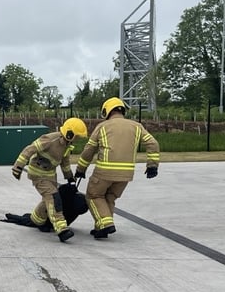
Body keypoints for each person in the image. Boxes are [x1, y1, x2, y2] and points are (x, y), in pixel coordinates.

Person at [74, 97, 160, 239]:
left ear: (106, 111)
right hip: (125, 175)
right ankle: (101, 228)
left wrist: (80, 169)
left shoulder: (103, 127)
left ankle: (106, 224)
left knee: (94, 195)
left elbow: (89, 150)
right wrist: (152, 166)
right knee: (110, 197)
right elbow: (153, 143)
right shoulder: (136, 126)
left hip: (104, 172)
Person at [11, 117, 88, 242]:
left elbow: (65, 164)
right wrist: (18, 167)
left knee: (48, 198)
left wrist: (71, 180)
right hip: (38, 175)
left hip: (50, 177)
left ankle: (38, 219)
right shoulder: (50, 139)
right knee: (53, 198)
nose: (77, 139)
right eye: (77, 136)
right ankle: (61, 228)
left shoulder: (67, 146)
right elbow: (29, 150)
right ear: (69, 133)